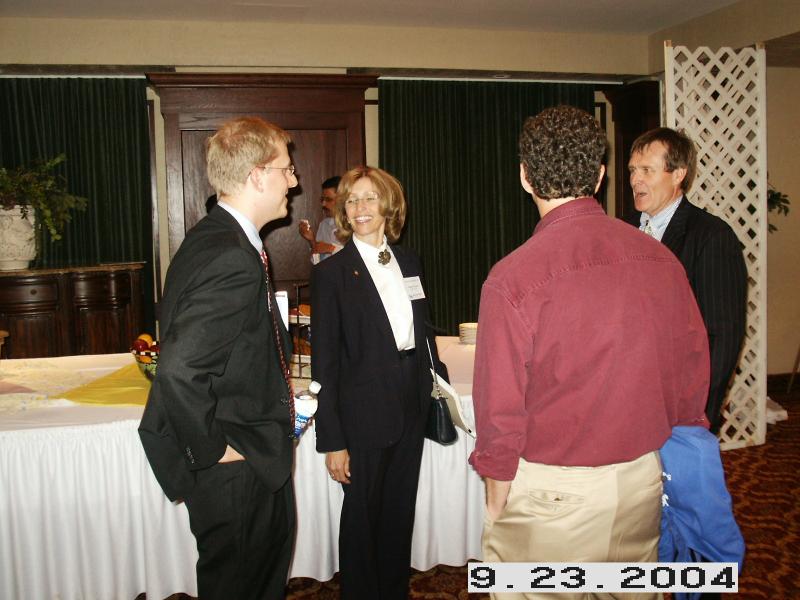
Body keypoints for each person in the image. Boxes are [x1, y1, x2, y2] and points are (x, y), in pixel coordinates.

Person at [469, 106, 710, 600]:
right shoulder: (661, 261)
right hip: (642, 482)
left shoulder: (512, 278)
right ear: (600, 176)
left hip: (553, 496)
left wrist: (497, 498)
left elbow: (499, 408)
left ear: (524, 176)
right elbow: (691, 379)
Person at [138, 116, 298, 600]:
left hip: (239, 452)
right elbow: (180, 369)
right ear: (257, 175)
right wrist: (212, 448)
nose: (294, 181)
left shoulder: (214, 236)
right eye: (287, 169)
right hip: (236, 463)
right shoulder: (231, 255)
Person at [311, 166, 447, 600]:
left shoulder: (409, 261)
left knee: (398, 515)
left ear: (389, 205)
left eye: (370, 198)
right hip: (362, 416)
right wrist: (332, 440)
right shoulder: (332, 274)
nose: (360, 208)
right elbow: (324, 363)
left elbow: (422, 331)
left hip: (410, 404)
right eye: (352, 200)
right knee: (361, 522)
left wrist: (438, 389)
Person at [628, 127, 747, 435]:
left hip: (684, 404)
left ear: (678, 174)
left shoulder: (711, 236)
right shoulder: (623, 232)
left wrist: (702, 411)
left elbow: (723, 334)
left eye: (647, 170)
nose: (635, 180)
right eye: (633, 170)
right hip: (631, 398)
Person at [299, 175, 343, 260]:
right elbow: (317, 262)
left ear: (342, 200)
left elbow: (361, 259)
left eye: (328, 200)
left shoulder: (356, 225)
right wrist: (312, 240)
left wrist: (332, 248)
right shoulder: (324, 225)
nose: (323, 204)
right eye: (322, 199)